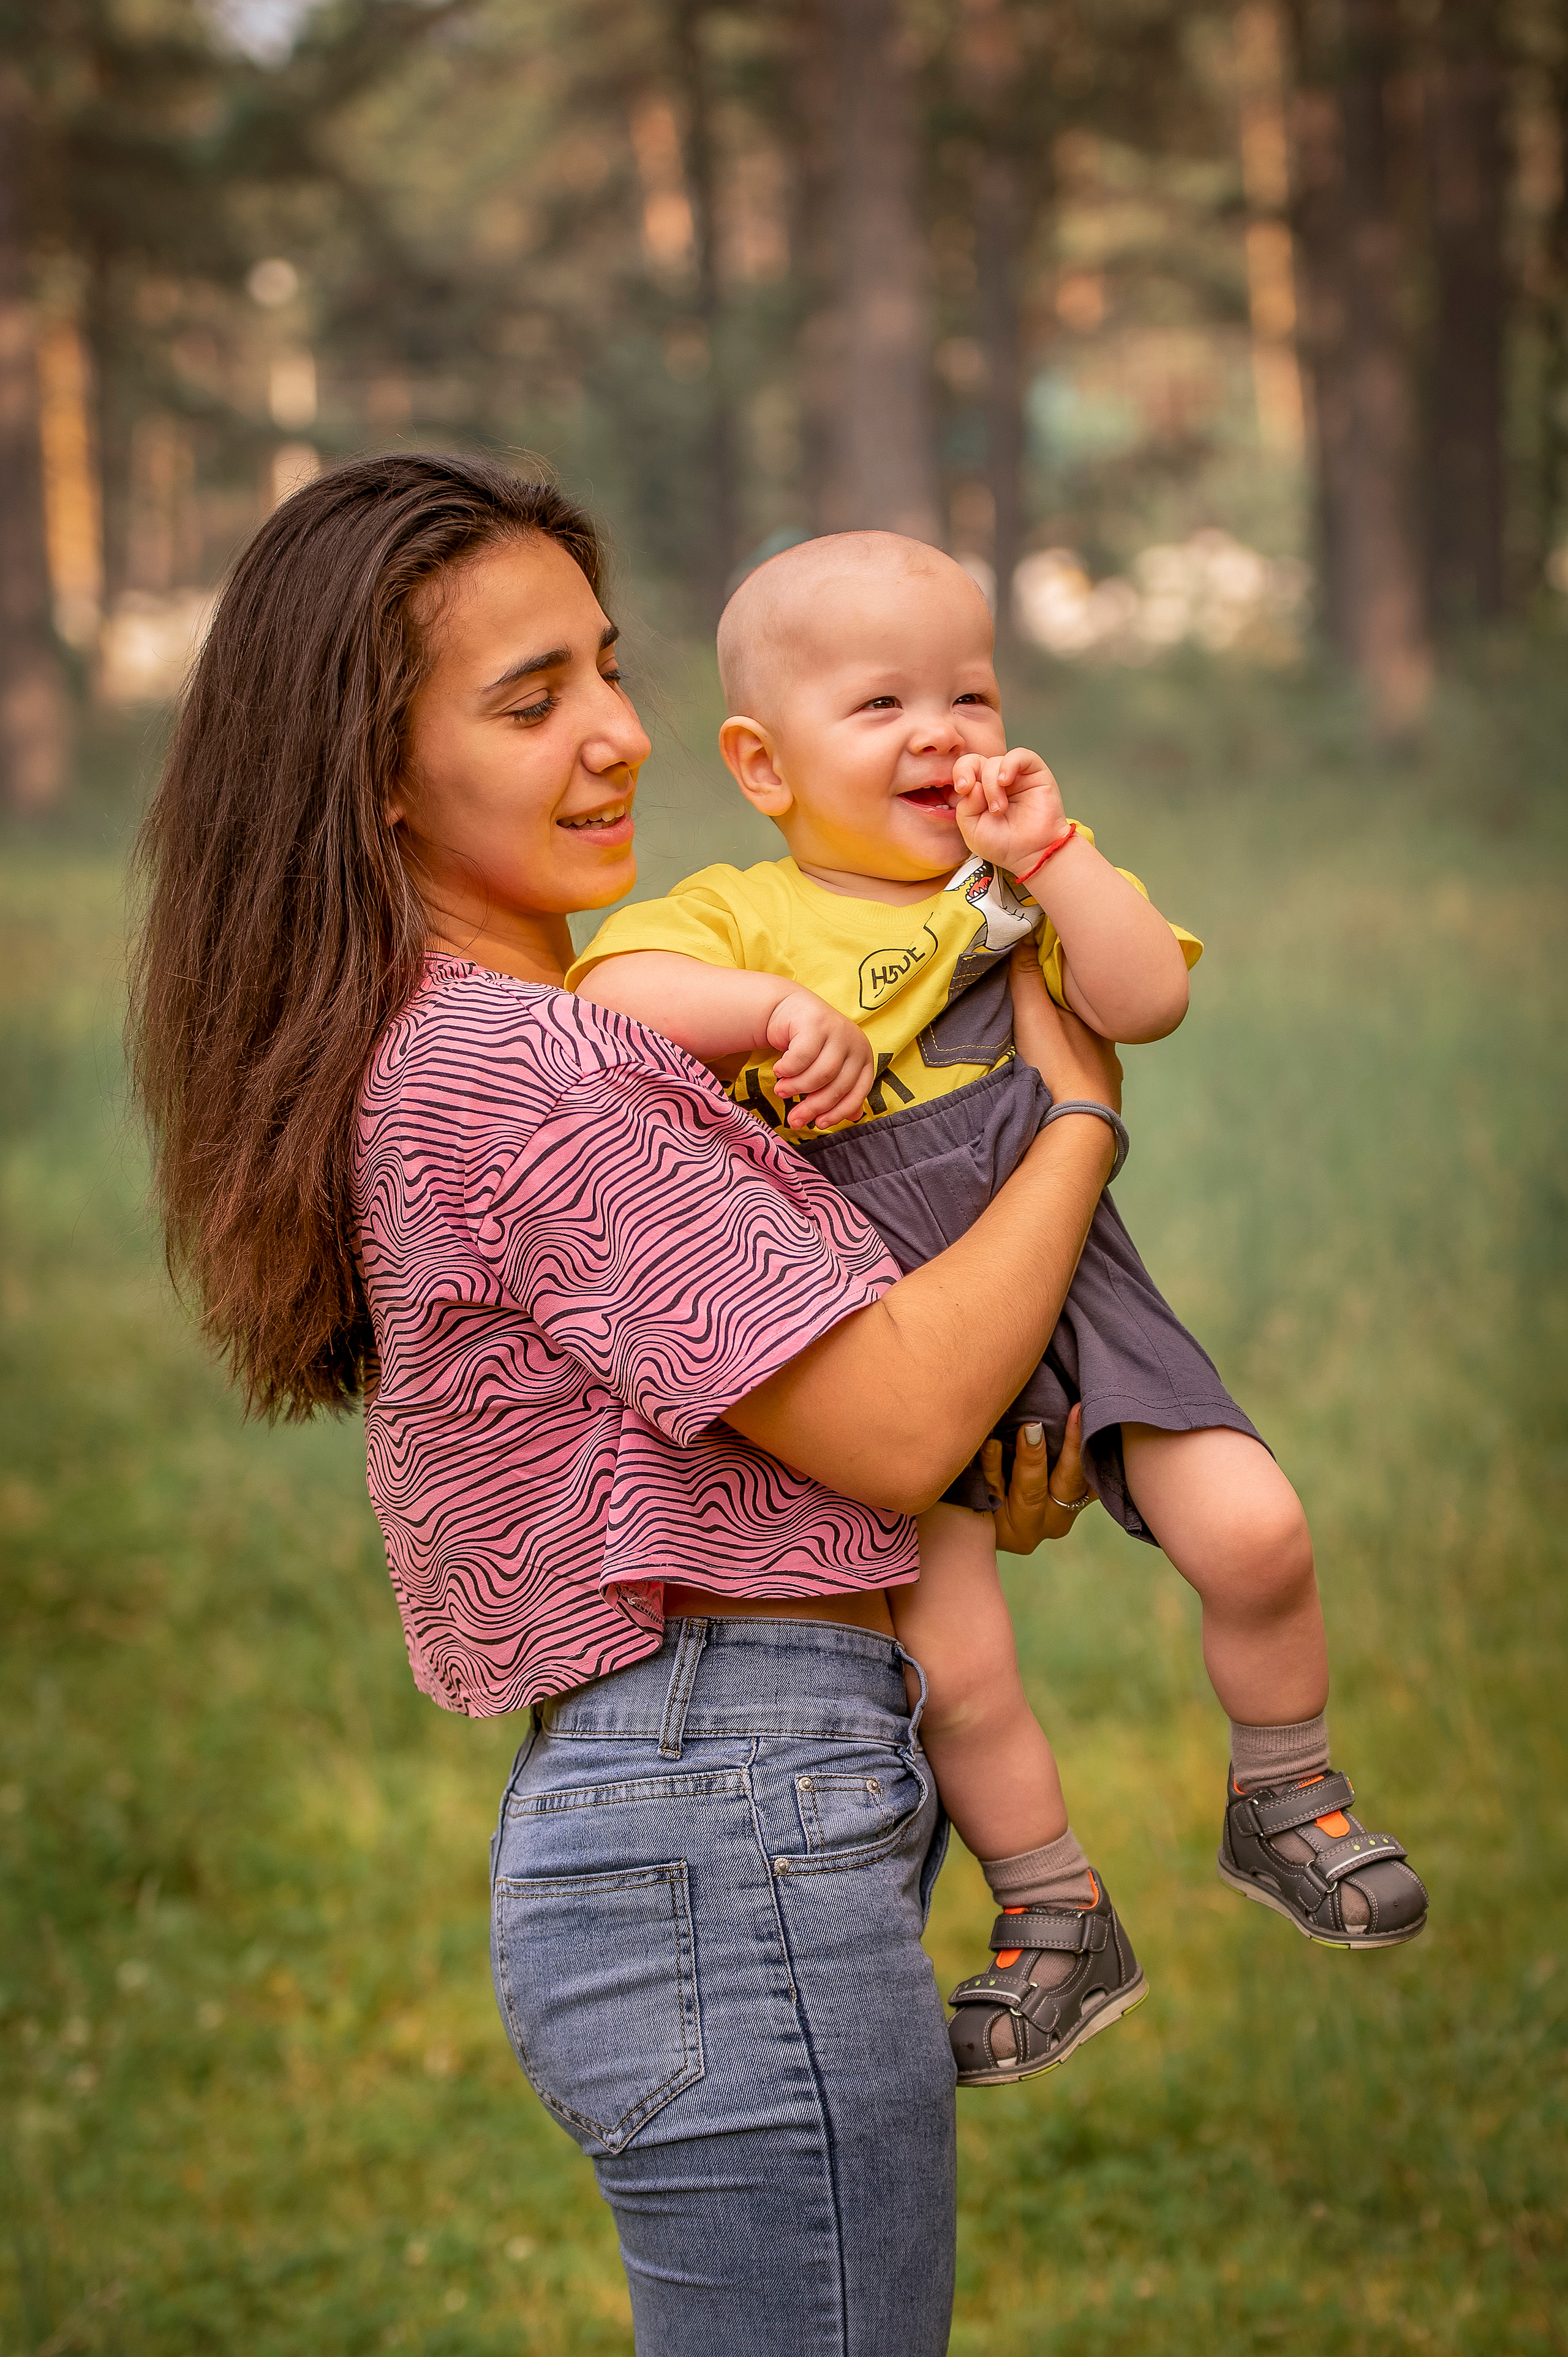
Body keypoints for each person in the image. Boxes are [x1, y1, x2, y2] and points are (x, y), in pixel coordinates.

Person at [128, 454, 1131, 2356]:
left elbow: (789, 1439)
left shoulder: (524, 1036)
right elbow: (893, 1422)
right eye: (532, 702)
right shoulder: (533, 1066)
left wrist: (929, 1491)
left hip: (726, 1792)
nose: (622, 735)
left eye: (607, 667)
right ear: (376, 773)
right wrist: (1078, 1111)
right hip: (726, 1809)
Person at [570, 530, 1429, 2087]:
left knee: (1255, 1530)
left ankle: (1285, 1793)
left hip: (1073, 1273)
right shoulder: (745, 913)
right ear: (762, 764)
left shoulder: (1017, 891)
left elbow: (1143, 1000)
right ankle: (1051, 1912)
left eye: (967, 693)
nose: (939, 732)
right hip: (884, 1313)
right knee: (954, 1668)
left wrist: (1058, 857)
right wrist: (771, 1011)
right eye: (880, 703)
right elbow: (609, 1000)